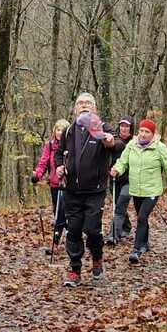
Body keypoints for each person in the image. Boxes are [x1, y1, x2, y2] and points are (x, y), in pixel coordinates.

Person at [55, 93, 123, 286]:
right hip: (72, 190)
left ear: (94, 108)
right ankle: (75, 269)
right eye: (80, 103)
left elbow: (117, 145)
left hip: (95, 190)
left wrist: (109, 141)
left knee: (92, 229)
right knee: (74, 230)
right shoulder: (69, 131)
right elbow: (59, 153)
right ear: (75, 108)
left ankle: (97, 257)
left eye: (88, 103)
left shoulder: (102, 127)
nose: (84, 106)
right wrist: (59, 167)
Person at [110, 118, 167, 264]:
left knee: (142, 217)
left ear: (153, 134)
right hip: (136, 190)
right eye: (141, 131)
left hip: (152, 191)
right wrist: (117, 169)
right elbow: (123, 161)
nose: (143, 134)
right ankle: (145, 243)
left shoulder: (160, 148)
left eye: (147, 132)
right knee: (142, 217)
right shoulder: (132, 145)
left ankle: (136, 250)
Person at [30, 119, 69, 255]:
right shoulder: (50, 146)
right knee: (59, 214)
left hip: (69, 186)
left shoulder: (71, 146)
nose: (60, 133)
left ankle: (56, 244)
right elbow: (43, 162)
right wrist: (37, 175)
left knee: (62, 214)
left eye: (63, 130)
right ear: (54, 131)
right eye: (58, 130)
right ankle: (70, 240)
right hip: (54, 185)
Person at [106, 116, 134, 244]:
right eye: (122, 126)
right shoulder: (113, 140)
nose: (124, 128)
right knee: (119, 205)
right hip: (114, 178)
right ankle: (126, 227)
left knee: (121, 202)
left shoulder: (134, 142)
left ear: (131, 128)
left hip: (130, 180)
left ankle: (114, 235)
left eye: (127, 126)